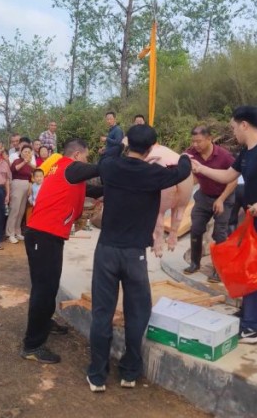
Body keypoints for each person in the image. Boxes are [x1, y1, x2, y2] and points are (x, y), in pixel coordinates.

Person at [87, 125, 192, 392]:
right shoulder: (154, 174)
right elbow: (182, 171)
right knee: (137, 313)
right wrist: (184, 156)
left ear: (128, 144)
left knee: (102, 313)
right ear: (151, 147)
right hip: (135, 255)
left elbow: (107, 155)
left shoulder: (110, 167)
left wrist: (116, 144)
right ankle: (130, 372)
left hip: (107, 250)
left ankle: (98, 376)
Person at [190, 106, 257, 345]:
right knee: (244, 267)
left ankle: (250, 328)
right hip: (251, 220)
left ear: (244, 125)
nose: (233, 132)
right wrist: (200, 168)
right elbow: (228, 176)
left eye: (234, 127)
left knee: (253, 272)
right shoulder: (246, 152)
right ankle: (247, 312)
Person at [20, 139, 104, 365]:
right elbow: (101, 168)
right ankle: (32, 345)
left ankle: (45, 322)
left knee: (49, 285)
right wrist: (115, 150)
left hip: (48, 235)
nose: (87, 161)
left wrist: (113, 190)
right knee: (43, 289)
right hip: (43, 235)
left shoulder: (64, 172)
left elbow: (93, 189)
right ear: (77, 155)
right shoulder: (70, 166)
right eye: (86, 156)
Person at [182, 125, 237, 282]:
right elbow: (182, 160)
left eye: (199, 141)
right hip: (204, 197)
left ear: (209, 139)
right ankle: (194, 263)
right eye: (193, 141)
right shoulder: (192, 152)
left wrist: (221, 199)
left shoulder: (224, 156)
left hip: (223, 198)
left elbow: (233, 179)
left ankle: (219, 270)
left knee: (220, 234)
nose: (195, 145)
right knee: (196, 229)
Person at [6, 144, 36, 244]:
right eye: (25, 151)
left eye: (29, 152)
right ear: (21, 153)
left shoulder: (29, 164)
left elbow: (36, 171)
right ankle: (10, 233)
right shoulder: (17, 161)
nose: (27, 153)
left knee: (21, 211)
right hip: (17, 185)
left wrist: (30, 186)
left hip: (26, 186)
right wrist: (24, 161)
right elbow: (14, 169)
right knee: (15, 209)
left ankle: (17, 231)